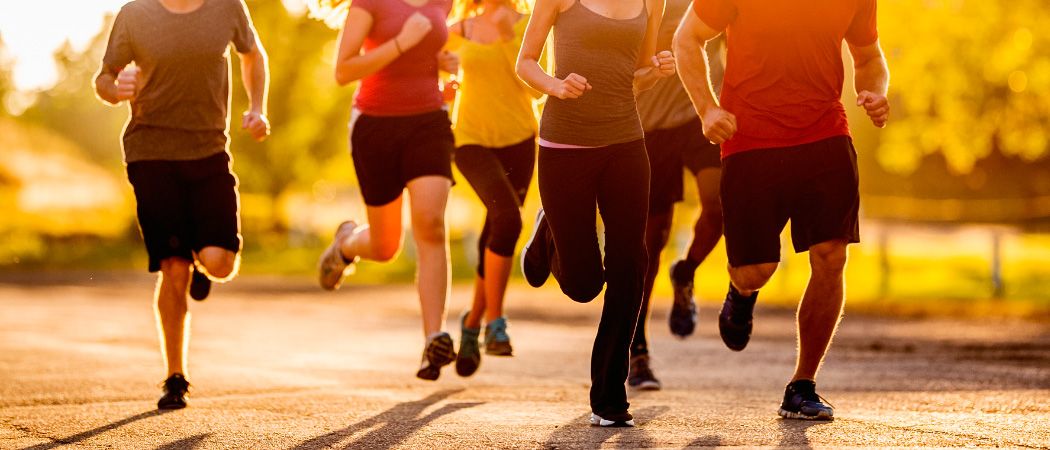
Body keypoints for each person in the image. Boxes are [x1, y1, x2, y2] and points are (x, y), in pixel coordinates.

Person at [675, 0, 890, 420]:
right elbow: (687, 39)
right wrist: (707, 109)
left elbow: (869, 57)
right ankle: (741, 292)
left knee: (831, 254)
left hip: (825, 132)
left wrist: (877, 91)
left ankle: (802, 384)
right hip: (750, 137)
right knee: (757, 270)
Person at [94, 0, 270, 409]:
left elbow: (253, 54)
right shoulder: (135, 14)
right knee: (173, 268)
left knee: (221, 262)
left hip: (208, 151)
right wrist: (114, 91)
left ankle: (198, 258)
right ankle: (176, 377)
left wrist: (257, 108)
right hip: (150, 151)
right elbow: (104, 78)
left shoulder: (227, 7)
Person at [516, 0, 675, 427]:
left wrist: (657, 68)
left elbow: (636, 76)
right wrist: (554, 85)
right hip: (564, 146)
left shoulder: (650, 2)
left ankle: (609, 396)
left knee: (631, 263)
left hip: (625, 141)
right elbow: (525, 62)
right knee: (584, 285)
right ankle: (549, 230)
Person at [309, 0, 462, 381]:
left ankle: (433, 339)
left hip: (429, 120)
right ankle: (346, 243)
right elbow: (344, 71)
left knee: (431, 224)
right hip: (375, 126)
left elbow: (435, 47)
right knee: (385, 246)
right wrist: (401, 44)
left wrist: (443, 63)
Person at [627, 0, 726, 391]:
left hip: (700, 113)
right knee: (651, 241)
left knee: (718, 206)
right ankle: (637, 348)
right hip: (648, 126)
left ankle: (686, 272)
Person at [445, 0, 539, 377]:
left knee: (498, 226)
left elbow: (535, 88)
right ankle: (495, 323)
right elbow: (431, 66)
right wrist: (442, 78)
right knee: (507, 218)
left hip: (519, 139)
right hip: (469, 140)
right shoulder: (460, 28)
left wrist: (506, 36)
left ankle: (471, 324)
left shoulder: (529, 24)